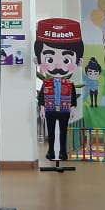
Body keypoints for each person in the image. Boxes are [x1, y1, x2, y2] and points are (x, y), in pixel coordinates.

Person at [36, 18, 82, 161]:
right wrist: (42, 108)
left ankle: (63, 152)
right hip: (50, 110)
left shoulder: (69, 83)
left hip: (64, 110)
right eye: (49, 59)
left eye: (66, 60)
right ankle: (51, 151)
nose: (57, 65)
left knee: (63, 132)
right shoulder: (47, 83)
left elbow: (73, 97)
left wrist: (72, 108)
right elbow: (42, 96)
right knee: (51, 132)